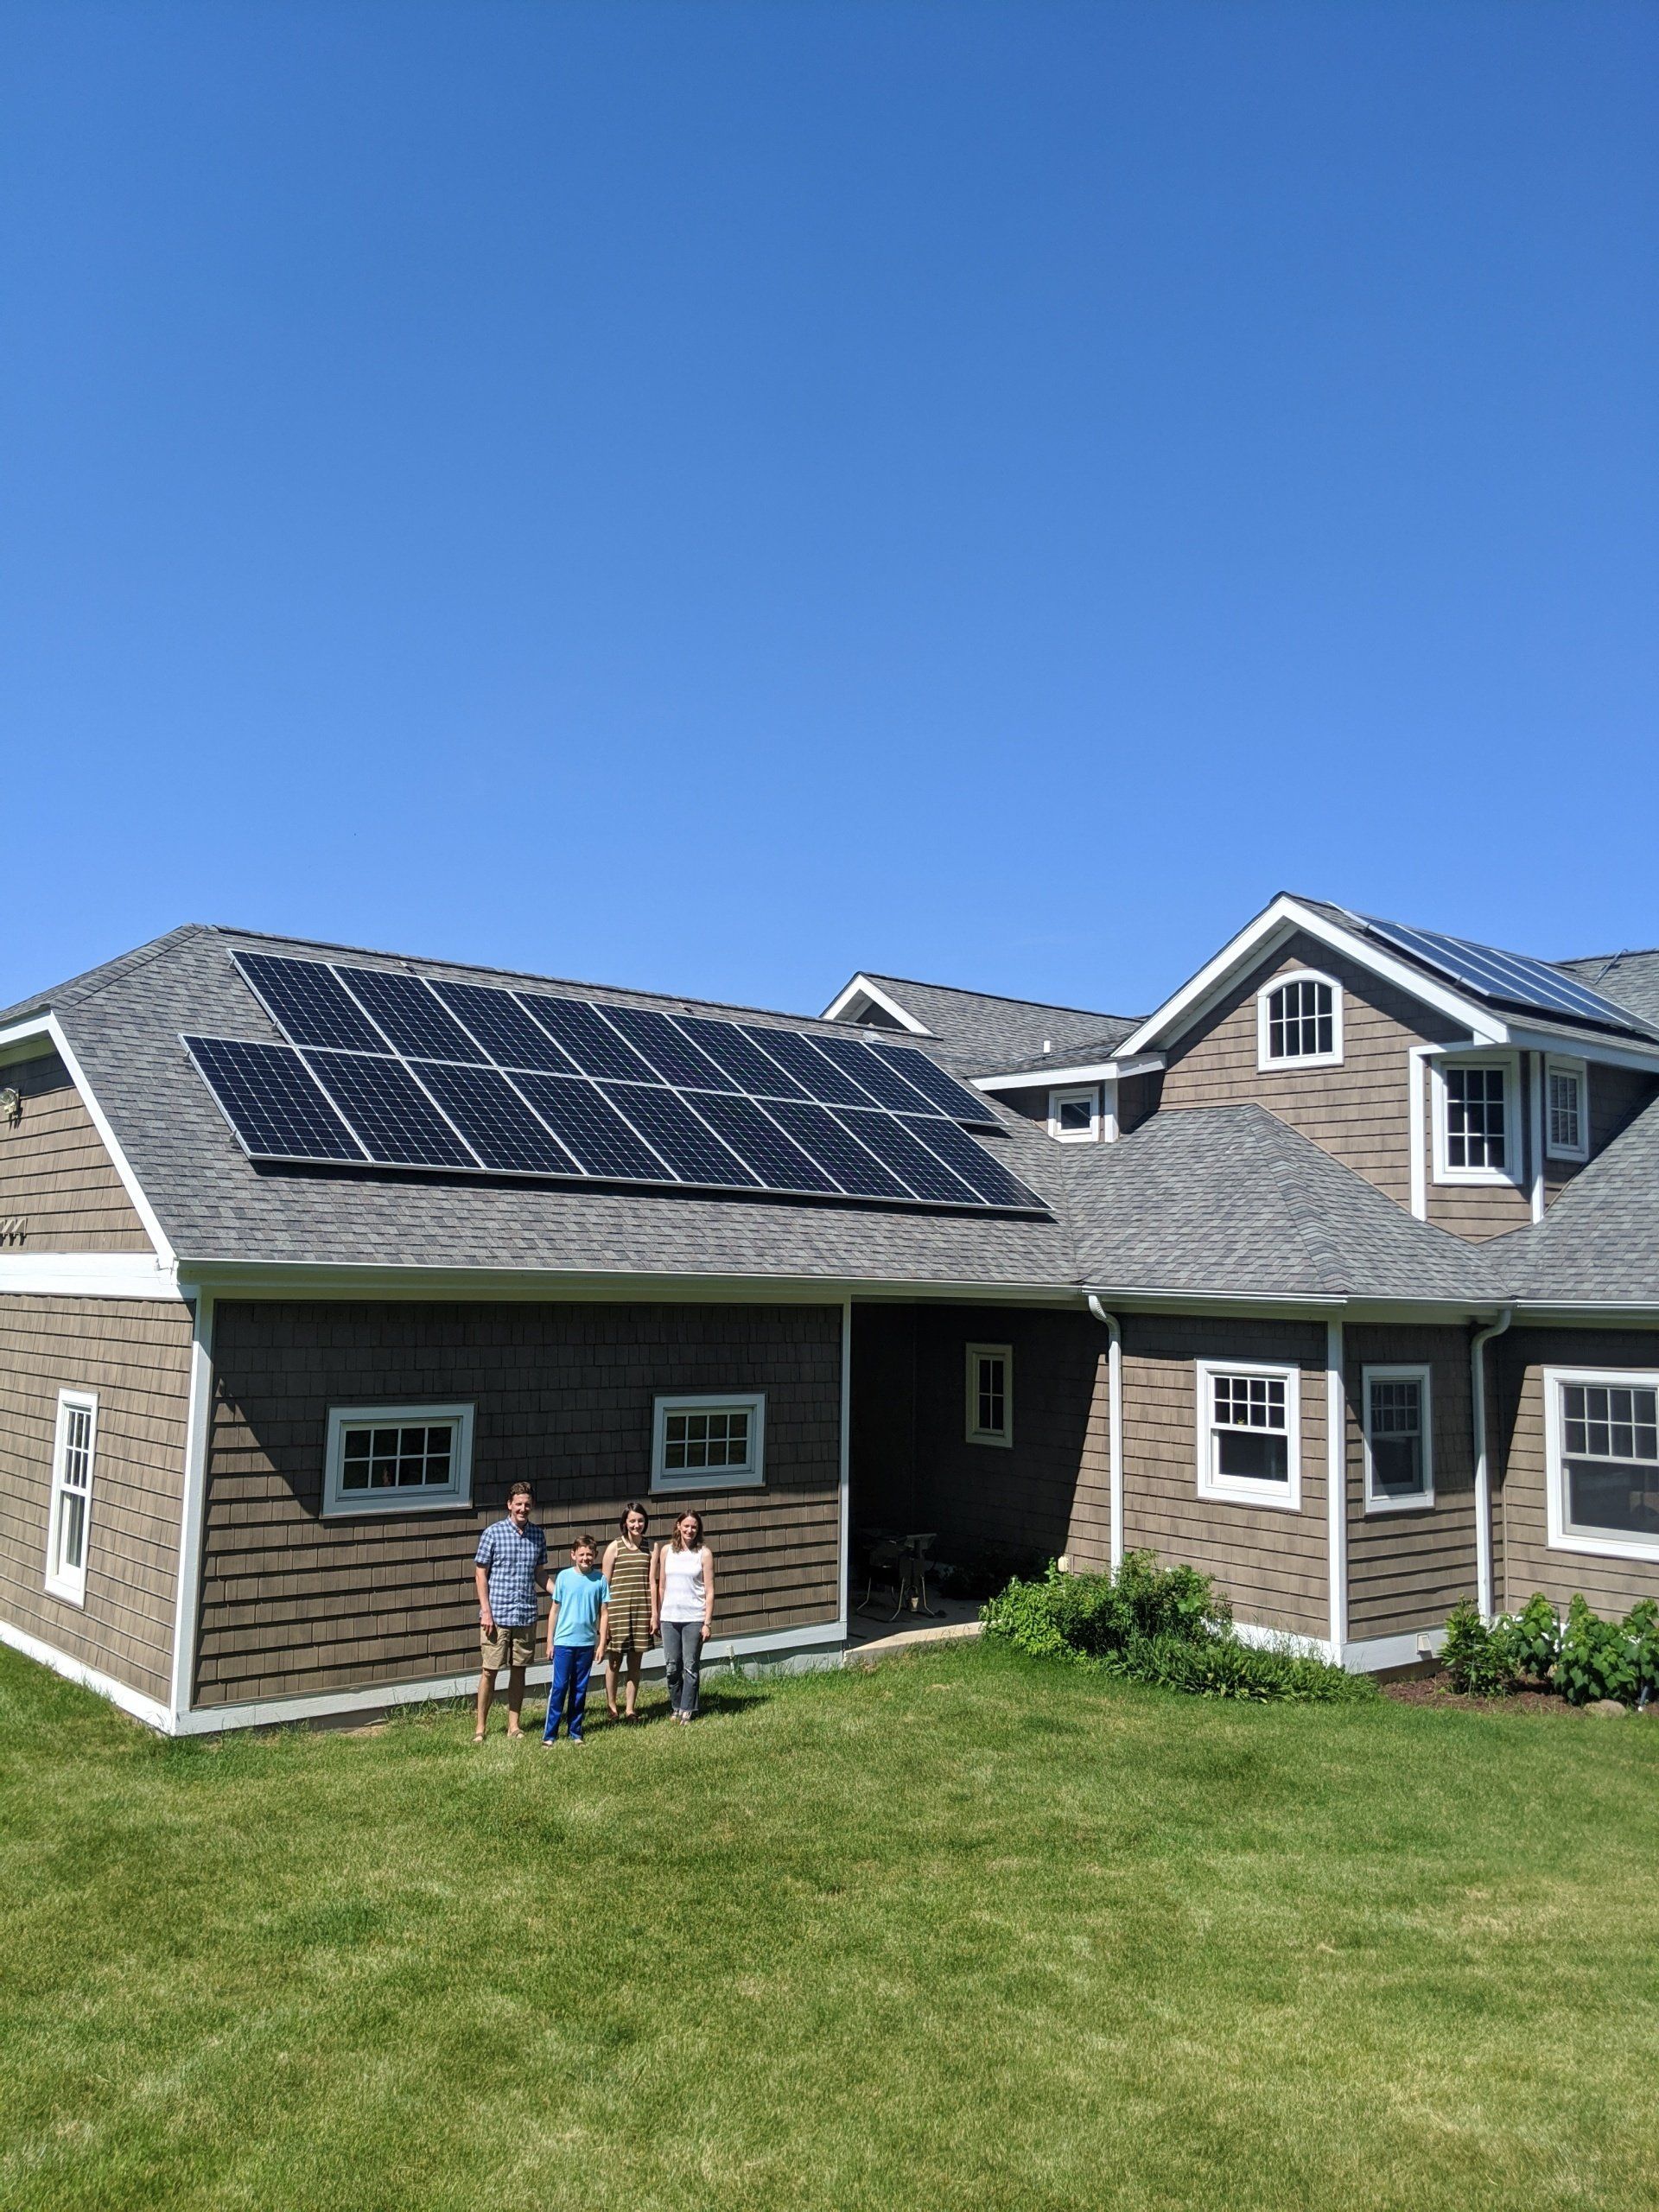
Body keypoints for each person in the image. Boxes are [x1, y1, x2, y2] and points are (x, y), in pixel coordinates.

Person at [473, 1480, 550, 1743]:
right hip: (496, 1616)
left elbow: (540, 1574)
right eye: (519, 1504)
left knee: (519, 1671)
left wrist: (560, 1591)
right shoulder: (492, 1534)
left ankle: (513, 1726)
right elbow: (481, 1574)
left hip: (525, 1614)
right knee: (489, 1671)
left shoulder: (538, 1535)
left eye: (527, 1504)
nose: (523, 1508)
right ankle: (480, 1728)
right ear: (509, 1505)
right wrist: (485, 1611)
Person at [543, 1535, 610, 1746]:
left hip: (586, 1644)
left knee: (580, 1689)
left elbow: (604, 1613)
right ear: (573, 1555)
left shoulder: (600, 1580)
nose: (585, 1558)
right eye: (581, 1554)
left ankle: (575, 1732)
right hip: (563, 1642)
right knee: (560, 1687)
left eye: (589, 1554)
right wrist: (549, 1642)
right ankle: (550, 1735)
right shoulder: (563, 1577)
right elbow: (554, 1610)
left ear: (595, 1556)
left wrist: (601, 1644)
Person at [652, 1509, 715, 1725]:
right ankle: (676, 1706)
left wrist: (707, 1622)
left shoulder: (703, 1553)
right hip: (669, 1617)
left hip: (694, 1617)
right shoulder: (667, 1551)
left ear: (698, 1530)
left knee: (690, 1666)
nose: (690, 1530)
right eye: (686, 1526)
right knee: (672, 1666)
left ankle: (688, 1710)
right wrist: (657, 1615)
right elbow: (661, 1586)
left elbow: (709, 1590)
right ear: (678, 1526)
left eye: (694, 1527)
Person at [601, 1503, 653, 1722]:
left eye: (640, 1521)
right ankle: (612, 1707)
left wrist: (654, 1614)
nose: (636, 1525)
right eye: (632, 1521)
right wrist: (604, 1619)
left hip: (642, 1610)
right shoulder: (615, 1547)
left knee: (635, 1662)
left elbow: (652, 1582)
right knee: (614, 1661)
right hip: (617, 1611)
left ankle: (631, 1709)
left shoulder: (651, 1548)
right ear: (625, 1523)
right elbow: (605, 1584)